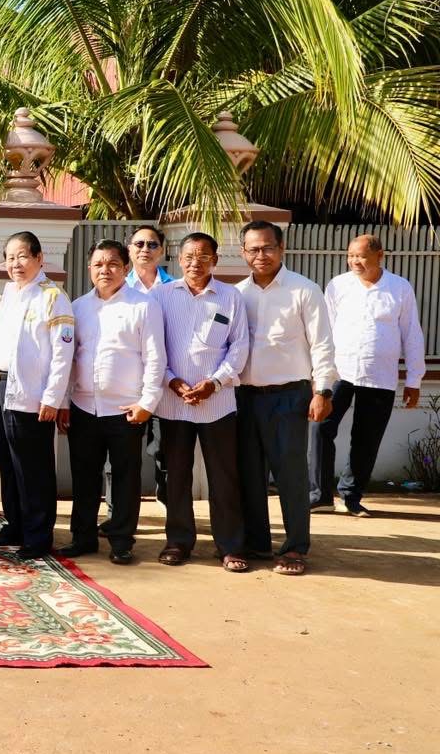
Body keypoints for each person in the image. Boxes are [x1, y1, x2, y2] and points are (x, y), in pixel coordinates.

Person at [236, 221, 337, 577]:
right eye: (253, 249)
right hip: (244, 398)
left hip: (290, 397)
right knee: (249, 474)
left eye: (268, 247)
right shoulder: (237, 294)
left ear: (281, 248)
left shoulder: (304, 290)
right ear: (243, 253)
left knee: (291, 475)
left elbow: (323, 344)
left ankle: (295, 547)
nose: (261, 255)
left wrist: (322, 391)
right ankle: (257, 543)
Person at [58, 241, 165, 565]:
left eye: (113, 264)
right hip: (83, 407)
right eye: (98, 264)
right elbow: (68, 359)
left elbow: (155, 358)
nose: (105, 270)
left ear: (125, 268)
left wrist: (147, 403)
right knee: (84, 476)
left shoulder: (143, 306)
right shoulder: (78, 307)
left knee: (125, 478)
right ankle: (83, 537)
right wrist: (63, 402)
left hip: (126, 409)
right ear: (89, 268)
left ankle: (121, 541)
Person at [152, 232, 251, 571]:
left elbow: (239, 346)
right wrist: (172, 381)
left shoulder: (230, 296)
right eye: (190, 256)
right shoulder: (161, 296)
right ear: (179, 260)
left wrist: (215, 383)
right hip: (173, 402)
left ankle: (230, 546)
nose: (196, 263)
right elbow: (153, 347)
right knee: (175, 476)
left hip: (217, 403)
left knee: (223, 477)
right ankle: (178, 542)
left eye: (204, 256)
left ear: (215, 261)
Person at [311, 235, 428, 517]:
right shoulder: (338, 285)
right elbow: (324, 330)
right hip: (339, 371)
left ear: (379, 255)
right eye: (350, 255)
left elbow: (411, 333)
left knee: (367, 438)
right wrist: (318, 373)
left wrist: (414, 380)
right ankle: (320, 495)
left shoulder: (399, 288)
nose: (354, 261)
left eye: (361, 256)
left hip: (380, 375)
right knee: (320, 427)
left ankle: (351, 496)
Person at [0, 232, 75, 559]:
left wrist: (53, 397)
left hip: (30, 394)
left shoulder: (52, 296)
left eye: (22, 256)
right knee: (7, 462)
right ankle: (15, 525)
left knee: (32, 467)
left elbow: (63, 353)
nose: (15, 264)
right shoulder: (9, 293)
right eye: (10, 257)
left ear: (39, 258)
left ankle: (37, 536)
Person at [124, 224, 174, 505]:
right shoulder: (118, 287)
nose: (145, 249)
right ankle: (119, 513)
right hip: (127, 387)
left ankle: (167, 504)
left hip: (165, 384)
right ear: (130, 249)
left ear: (162, 251)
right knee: (121, 456)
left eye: (152, 244)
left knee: (164, 450)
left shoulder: (175, 288)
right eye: (139, 244)